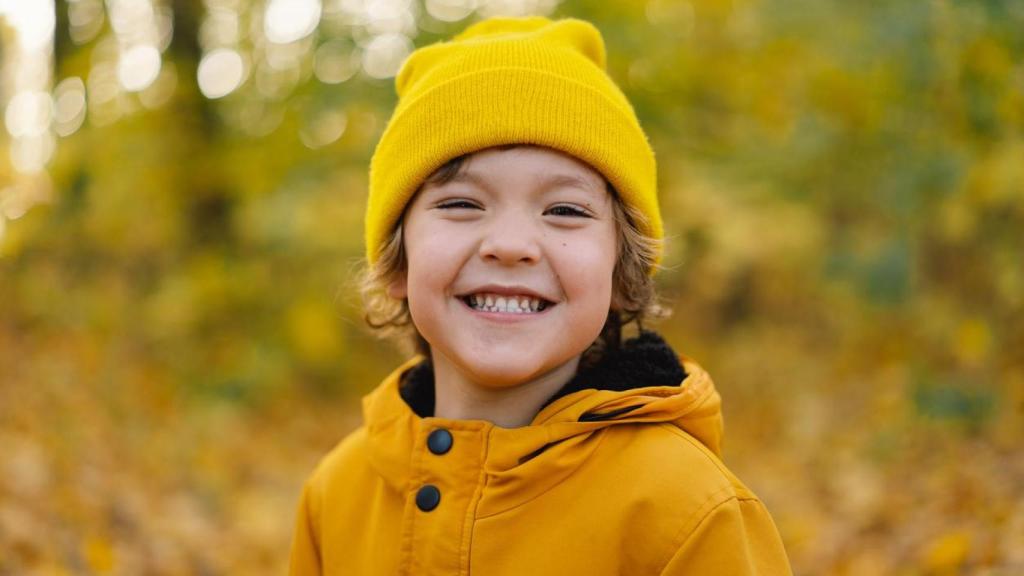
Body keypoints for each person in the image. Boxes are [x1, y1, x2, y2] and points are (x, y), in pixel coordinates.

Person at [289, 15, 791, 575]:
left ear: (622, 276)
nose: (509, 245)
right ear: (397, 262)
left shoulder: (690, 513)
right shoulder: (335, 497)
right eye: (461, 204)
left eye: (564, 211)